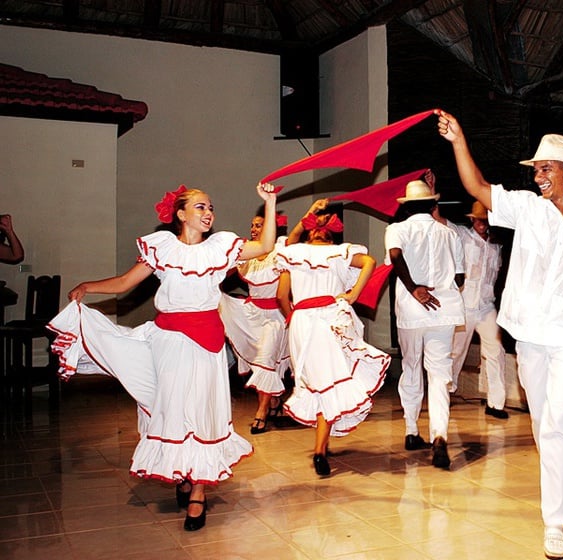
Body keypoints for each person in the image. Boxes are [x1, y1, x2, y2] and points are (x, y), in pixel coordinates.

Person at [435, 109, 563, 559]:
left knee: (562, 414)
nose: (538, 175)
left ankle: (556, 522)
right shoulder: (526, 207)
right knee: (546, 421)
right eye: (536, 169)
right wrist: (458, 140)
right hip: (529, 333)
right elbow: (477, 187)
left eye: (546, 168)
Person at [47, 182, 279, 532]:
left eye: (210, 207)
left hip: (207, 342)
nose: (208, 212)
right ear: (181, 214)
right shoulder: (162, 249)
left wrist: (271, 203)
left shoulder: (219, 249)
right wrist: (88, 286)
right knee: (173, 409)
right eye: (200, 207)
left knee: (202, 411)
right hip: (169, 341)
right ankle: (184, 473)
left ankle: (198, 489)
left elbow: (265, 245)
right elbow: (126, 282)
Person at [276, 206, 390, 477]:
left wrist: (294, 317)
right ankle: (319, 450)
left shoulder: (294, 253)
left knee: (317, 382)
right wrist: (352, 294)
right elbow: (370, 262)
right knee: (328, 381)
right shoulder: (340, 253)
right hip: (328, 317)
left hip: (302, 321)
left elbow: (282, 296)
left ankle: (321, 448)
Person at [385, 179, 465, 470]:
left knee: (410, 366)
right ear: (434, 205)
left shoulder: (396, 229)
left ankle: (410, 430)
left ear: (406, 207)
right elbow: (459, 277)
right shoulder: (449, 233)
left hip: (410, 309)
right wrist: (438, 288)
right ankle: (440, 435)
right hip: (443, 309)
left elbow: (395, 257)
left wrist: (414, 287)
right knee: (439, 374)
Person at [219, 206, 291, 435]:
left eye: (259, 225)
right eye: (252, 225)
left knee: (266, 358)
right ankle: (273, 401)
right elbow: (220, 272)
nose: (253, 229)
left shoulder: (281, 251)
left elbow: (297, 234)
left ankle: (261, 412)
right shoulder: (246, 256)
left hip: (277, 316)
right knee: (264, 361)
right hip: (252, 315)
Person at [439, 200, 508, 418]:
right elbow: (439, 221)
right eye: (478, 220)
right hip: (464, 306)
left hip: (486, 306)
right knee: (456, 351)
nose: (482, 224)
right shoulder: (461, 235)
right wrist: (432, 193)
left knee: (496, 351)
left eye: (485, 221)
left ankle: (496, 403)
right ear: (472, 219)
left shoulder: (496, 245)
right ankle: (445, 394)